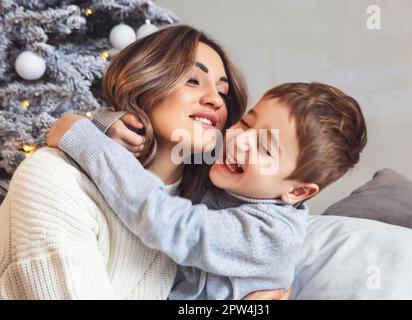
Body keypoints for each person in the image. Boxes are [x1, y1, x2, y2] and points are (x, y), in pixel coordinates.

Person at [0, 25, 288, 300]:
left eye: (223, 93)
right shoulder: (54, 180)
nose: (215, 99)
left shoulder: (202, 217)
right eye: (192, 80)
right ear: (145, 83)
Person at [47, 82, 367, 299]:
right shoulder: (228, 165)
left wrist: (84, 139)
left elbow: (168, 222)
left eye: (264, 148)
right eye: (246, 123)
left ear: (297, 193)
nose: (239, 140)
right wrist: (100, 123)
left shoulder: (270, 235)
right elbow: (154, 136)